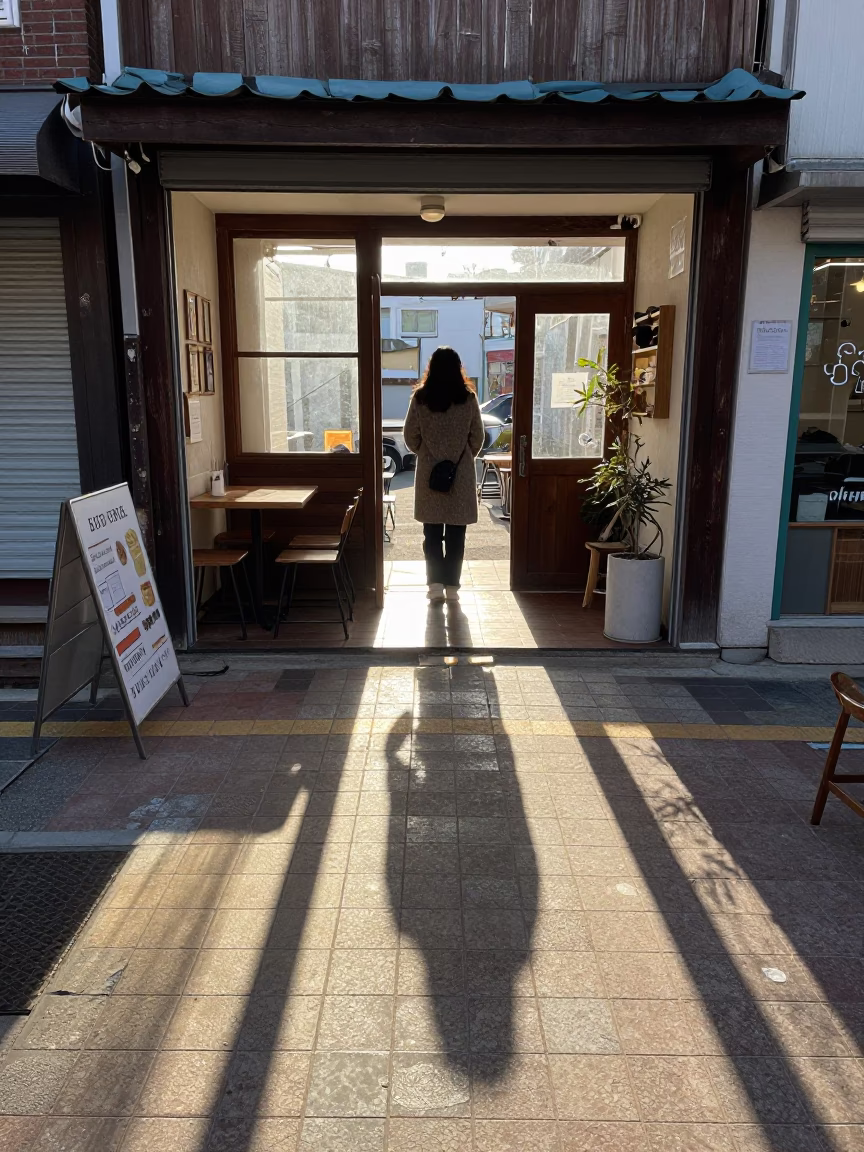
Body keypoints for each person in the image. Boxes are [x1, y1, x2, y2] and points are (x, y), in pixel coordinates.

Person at [403, 346, 485, 603]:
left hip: (429, 475)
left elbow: (410, 437)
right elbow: (478, 437)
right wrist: (460, 458)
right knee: (456, 535)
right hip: (460, 476)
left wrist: (428, 455)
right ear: (458, 368)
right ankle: (452, 588)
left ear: (431, 368)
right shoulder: (469, 399)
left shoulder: (420, 399)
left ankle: (435, 586)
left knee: (432, 534)